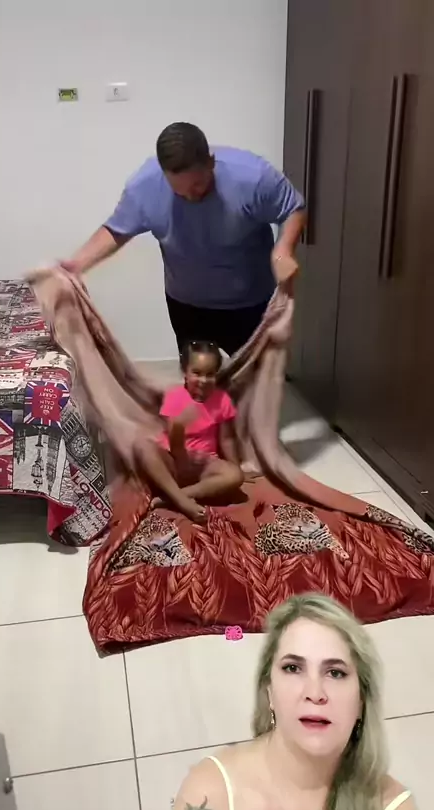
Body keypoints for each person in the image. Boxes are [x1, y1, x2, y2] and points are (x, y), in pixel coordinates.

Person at [163, 594, 421, 810]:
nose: (315, 693)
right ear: (269, 691)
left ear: (361, 702)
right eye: (293, 668)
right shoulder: (210, 793)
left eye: (335, 673)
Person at [62, 122, 305, 356]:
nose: (190, 196)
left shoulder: (253, 177)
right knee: (197, 378)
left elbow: (293, 208)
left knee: (254, 379)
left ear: (210, 162)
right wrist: (75, 265)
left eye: (197, 185)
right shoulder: (145, 185)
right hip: (186, 305)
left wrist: (284, 249)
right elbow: (117, 229)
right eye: (179, 190)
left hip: (250, 304)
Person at [135, 340, 243, 523]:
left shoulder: (222, 399)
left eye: (210, 374)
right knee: (141, 446)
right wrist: (179, 424)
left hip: (204, 466)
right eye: (197, 373)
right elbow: (173, 443)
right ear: (185, 371)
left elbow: (227, 439)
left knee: (235, 475)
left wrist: (235, 467)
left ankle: (174, 497)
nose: (203, 380)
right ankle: (183, 501)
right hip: (174, 461)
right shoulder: (174, 396)